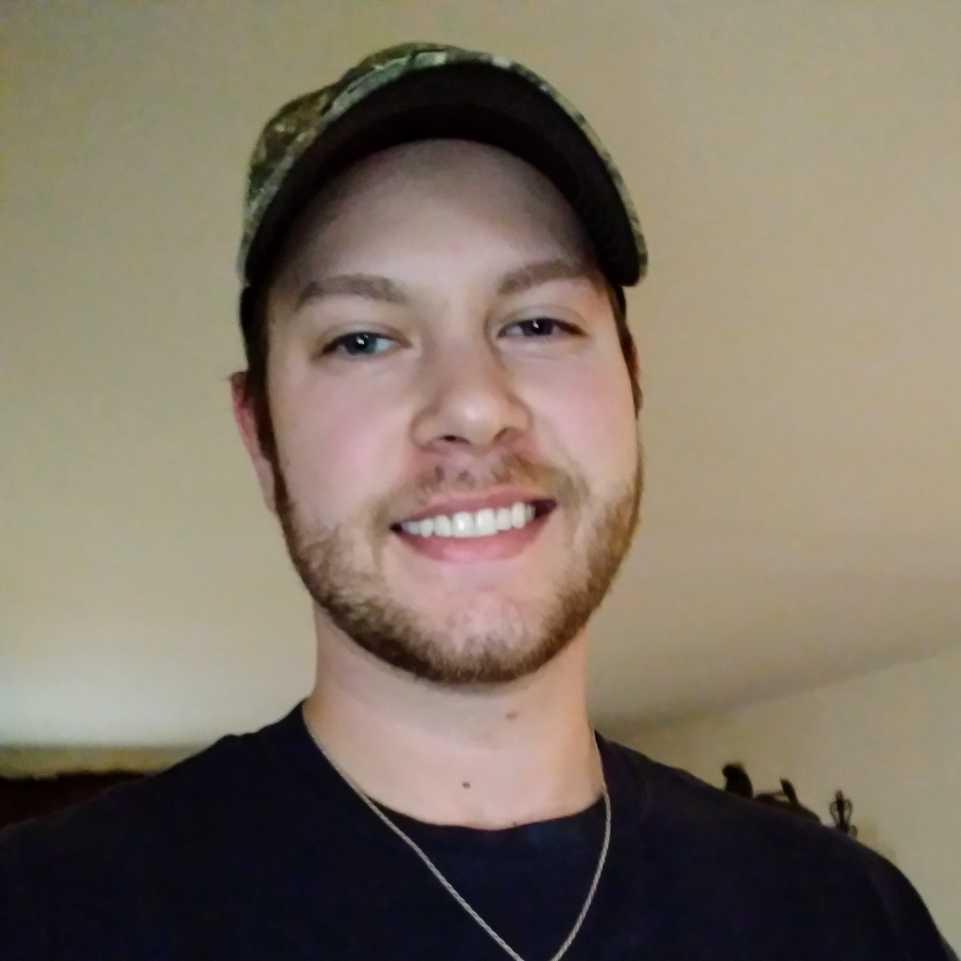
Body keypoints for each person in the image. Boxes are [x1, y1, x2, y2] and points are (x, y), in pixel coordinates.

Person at [0, 41, 953, 961]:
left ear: (631, 384)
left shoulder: (848, 916)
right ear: (261, 436)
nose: (472, 406)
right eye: (363, 339)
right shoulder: (47, 915)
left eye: (537, 322)